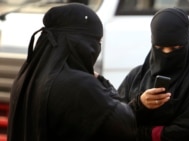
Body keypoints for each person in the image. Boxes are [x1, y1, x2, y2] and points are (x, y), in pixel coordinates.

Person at [7, 3, 136, 141]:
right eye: (97, 41)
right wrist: (102, 83)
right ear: (80, 43)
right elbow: (125, 125)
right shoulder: (80, 84)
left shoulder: (26, 76)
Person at [118, 8, 189, 141]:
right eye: (159, 48)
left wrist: (137, 134)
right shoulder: (136, 76)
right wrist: (140, 104)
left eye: (175, 48)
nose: (166, 53)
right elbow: (115, 120)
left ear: (187, 42)